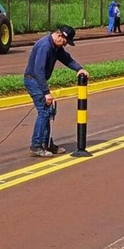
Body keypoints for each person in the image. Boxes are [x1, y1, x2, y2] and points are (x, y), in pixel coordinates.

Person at [23, 26, 89, 157]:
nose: (65, 44)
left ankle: (46, 143)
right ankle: (36, 145)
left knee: (49, 110)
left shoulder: (55, 46)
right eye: (65, 41)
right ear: (59, 36)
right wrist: (46, 92)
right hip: (33, 80)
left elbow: (66, 59)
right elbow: (38, 71)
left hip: (38, 80)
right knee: (44, 111)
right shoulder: (45, 46)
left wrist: (79, 69)